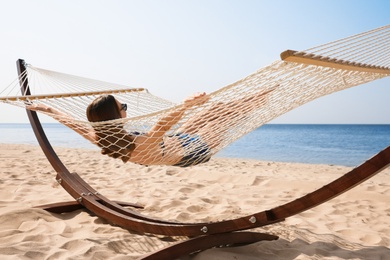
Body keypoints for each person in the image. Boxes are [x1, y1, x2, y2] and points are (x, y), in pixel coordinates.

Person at [28, 89, 273, 167]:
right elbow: (161, 125)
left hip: (177, 139)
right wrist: (187, 104)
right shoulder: (141, 142)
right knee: (218, 119)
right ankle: (261, 99)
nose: (125, 108)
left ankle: (255, 99)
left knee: (214, 109)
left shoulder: (101, 138)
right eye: (122, 106)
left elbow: (73, 123)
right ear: (115, 115)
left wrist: (49, 110)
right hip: (193, 151)